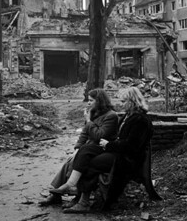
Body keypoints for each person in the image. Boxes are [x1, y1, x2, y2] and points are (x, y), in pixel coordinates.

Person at [59, 86, 154, 214]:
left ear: (132, 101)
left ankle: (83, 202)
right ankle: (73, 188)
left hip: (127, 158)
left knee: (90, 163)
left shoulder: (140, 120)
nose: (121, 105)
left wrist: (109, 145)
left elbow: (132, 147)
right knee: (86, 149)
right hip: (118, 152)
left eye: (123, 101)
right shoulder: (129, 116)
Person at [39, 88, 118, 207]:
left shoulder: (111, 116)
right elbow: (84, 134)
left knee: (76, 161)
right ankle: (55, 194)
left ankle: (74, 194)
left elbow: (99, 135)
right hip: (89, 149)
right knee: (70, 159)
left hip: (101, 149)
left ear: (100, 101)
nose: (89, 103)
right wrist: (77, 148)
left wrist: (88, 121)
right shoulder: (94, 112)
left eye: (91, 100)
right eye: (88, 100)